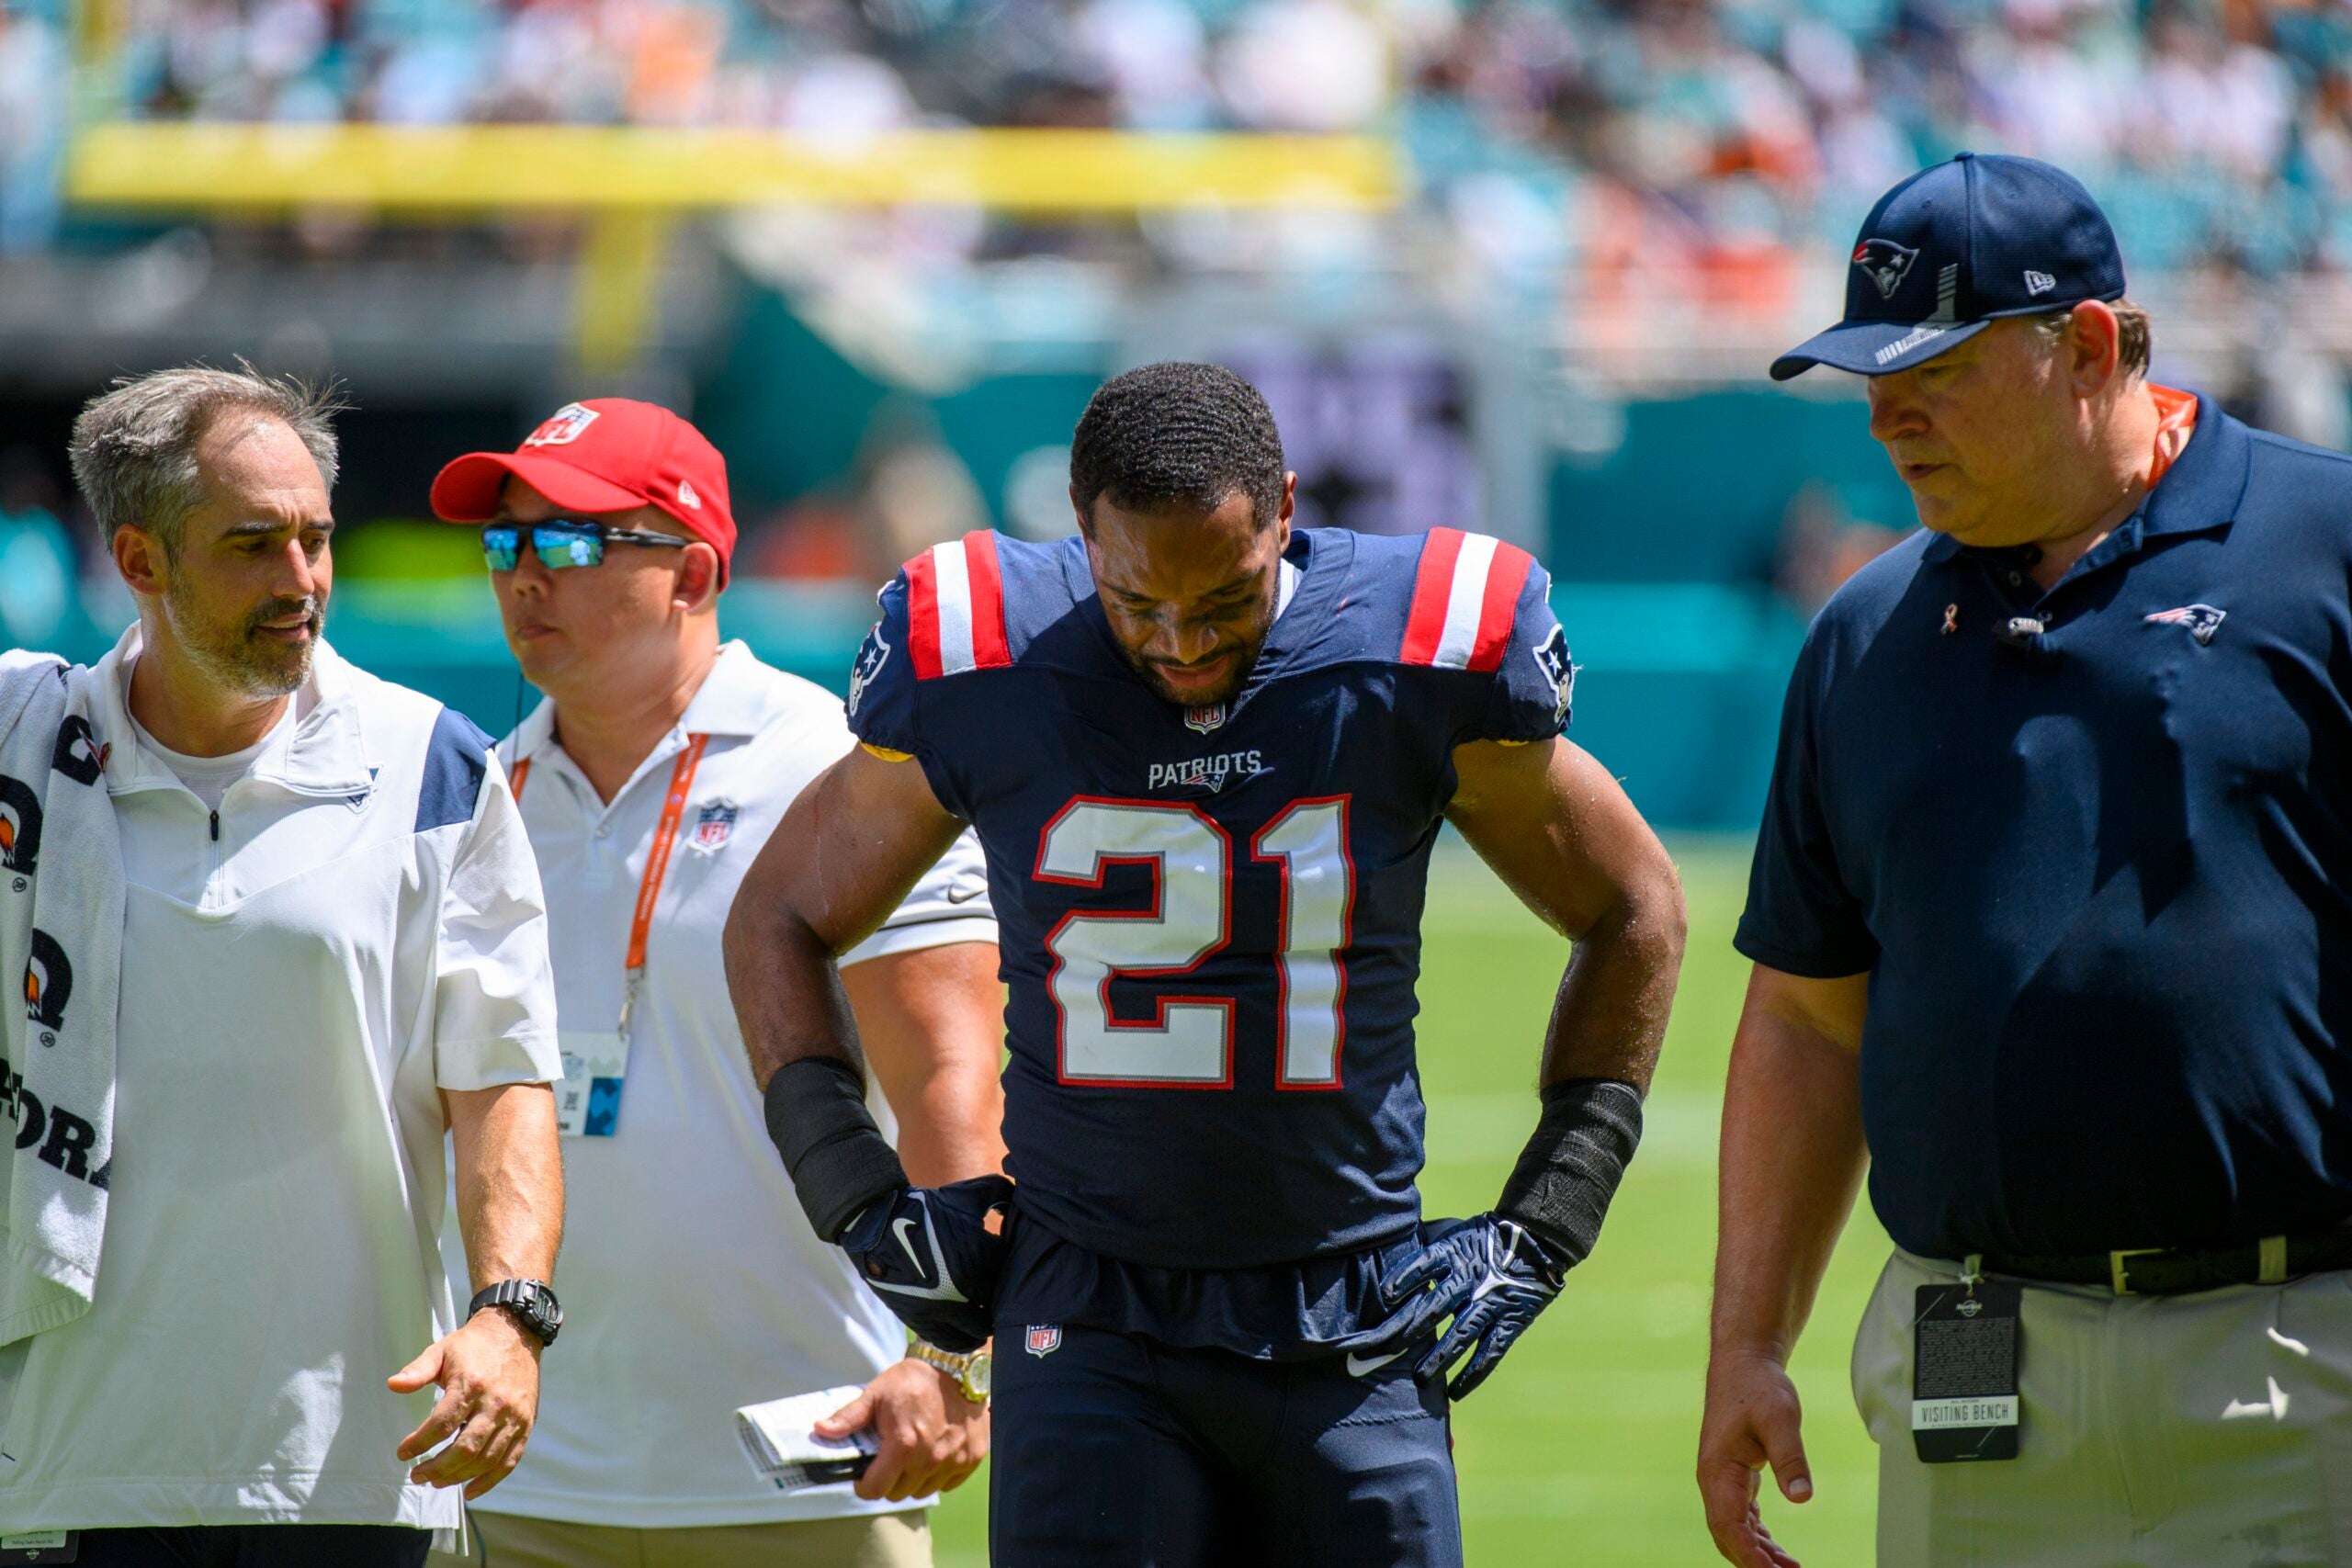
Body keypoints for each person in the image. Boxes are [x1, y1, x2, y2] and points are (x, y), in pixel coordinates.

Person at [728, 362, 1688, 1567]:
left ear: (1286, 509)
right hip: (1086, 1313)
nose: (1182, 643)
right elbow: (778, 913)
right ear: (1080, 534)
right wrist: (859, 1200)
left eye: (1226, 600)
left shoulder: (1412, 650)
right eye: (1138, 603)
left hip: (1357, 1308)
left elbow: (1636, 903)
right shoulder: (986, 655)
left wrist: (1547, 1218)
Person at [1699, 152, 2352, 1568]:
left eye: (1934, 368)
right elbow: (1810, 1016)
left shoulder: (2329, 550)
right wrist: (1749, 1337)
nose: (1883, 415)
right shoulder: (1863, 633)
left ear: (2094, 345)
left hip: (2295, 1351)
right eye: (1869, 372)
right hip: (1971, 1367)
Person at [0, 366, 564, 1566]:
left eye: (315, 538)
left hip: (350, 1458)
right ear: (141, 561)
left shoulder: (432, 764)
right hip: (62, 1449)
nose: (301, 581)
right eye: (253, 545)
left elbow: (502, 1076)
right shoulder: (21, 744)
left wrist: (511, 1311)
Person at [425, 399, 1004, 1568]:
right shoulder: (475, 793)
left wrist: (949, 1357)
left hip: (807, 1466)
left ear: (691, 570)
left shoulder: (842, 766)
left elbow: (952, 1067)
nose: (526, 577)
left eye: (572, 542)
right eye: (507, 543)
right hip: (526, 1466)